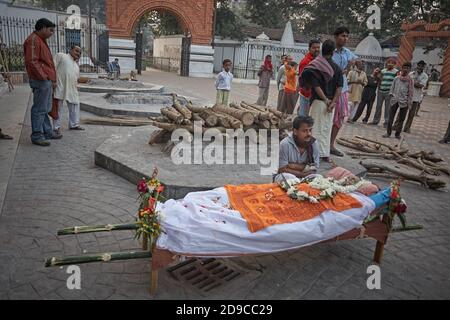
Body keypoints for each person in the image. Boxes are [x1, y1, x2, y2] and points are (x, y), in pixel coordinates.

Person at [301, 40, 342, 162]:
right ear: (333, 52)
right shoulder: (337, 68)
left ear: (322, 50)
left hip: (319, 101)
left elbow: (315, 86)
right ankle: (325, 155)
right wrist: (333, 102)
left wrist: (325, 100)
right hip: (331, 104)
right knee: (326, 128)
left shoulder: (315, 65)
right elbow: (339, 87)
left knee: (314, 129)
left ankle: (312, 154)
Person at [23, 18, 61, 147]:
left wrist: (51, 79)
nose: (52, 33)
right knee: (39, 108)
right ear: (43, 28)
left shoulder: (40, 40)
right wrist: (44, 77)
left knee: (45, 108)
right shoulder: (33, 40)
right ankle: (37, 135)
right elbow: (32, 61)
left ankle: (47, 131)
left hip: (45, 80)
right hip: (40, 81)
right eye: (50, 30)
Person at [331, 26, 358, 157]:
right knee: (325, 117)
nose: (345, 38)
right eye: (342, 36)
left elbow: (356, 61)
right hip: (329, 88)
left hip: (342, 89)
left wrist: (351, 64)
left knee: (340, 117)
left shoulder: (347, 52)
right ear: (336, 37)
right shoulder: (329, 50)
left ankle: (331, 145)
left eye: (347, 36)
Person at [274, 115, 320, 183]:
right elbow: (282, 169)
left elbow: (314, 168)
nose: (309, 134)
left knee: (318, 178)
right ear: (295, 131)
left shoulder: (314, 143)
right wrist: (303, 172)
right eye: (304, 131)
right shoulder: (285, 144)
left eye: (310, 130)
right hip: (287, 176)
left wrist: (291, 165)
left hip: (305, 176)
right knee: (290, 178)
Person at [52, 45, 84, 134]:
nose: (78, 53)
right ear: (70, 50)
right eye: (76, 51)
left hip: (72, 88)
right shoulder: (61, 56)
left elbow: (76, 78)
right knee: (58, 108)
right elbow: (52, 68)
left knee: (75, 105)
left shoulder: (76, 66)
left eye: (80, 53)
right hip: (60, 86)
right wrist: (53, 81)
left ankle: (74, 124)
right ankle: (56, 127)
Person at [383, 62, 413, 139]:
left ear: (410, 70)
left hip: (404, 102)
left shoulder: (410, 80)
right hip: (394, 100)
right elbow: (392, 88)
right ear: (402, 69)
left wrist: (409, 102)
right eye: (404, 68)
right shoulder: (396, 78)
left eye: (407, 68)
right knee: (391, 117)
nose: (406, 69)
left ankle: (397, 134)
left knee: (401, 119)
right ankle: (388, 133)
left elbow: (411, 92)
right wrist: (391, 95)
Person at [370, 57, 399, 127]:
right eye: (389, 62)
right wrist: (376, 75)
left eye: (392, 63)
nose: (390, 64)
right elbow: (379, 79)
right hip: (380, 91)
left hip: (389, 92)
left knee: (388, 108)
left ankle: (386, 122)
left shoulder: (396, 72)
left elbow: (397, 82)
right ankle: (375, 121)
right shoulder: (383, 71)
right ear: (386, 63)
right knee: (378, 107)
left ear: (394, 64)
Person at [402, 60, 428, 133]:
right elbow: (406, 82)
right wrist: (415, 83)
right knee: (402, 112)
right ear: (417, 65)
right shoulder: (411, 73)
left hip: (416, 98)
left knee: (411, 114)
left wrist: (412, 82)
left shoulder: (425, 76)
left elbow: (421, 86)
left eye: (422, 66)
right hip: (407, 96)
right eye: (419, 65)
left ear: (424, 67)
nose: (420, 67)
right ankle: (397, 125)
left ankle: (407, 128)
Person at [298, 39, 321, 116]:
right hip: (307, 95)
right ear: (309, 49)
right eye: (314, 48)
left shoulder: (319, 60)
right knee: (303, 118)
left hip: (316, 95)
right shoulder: (305, 62)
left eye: (318, 47)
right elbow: (302, 81)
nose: (316, 49)